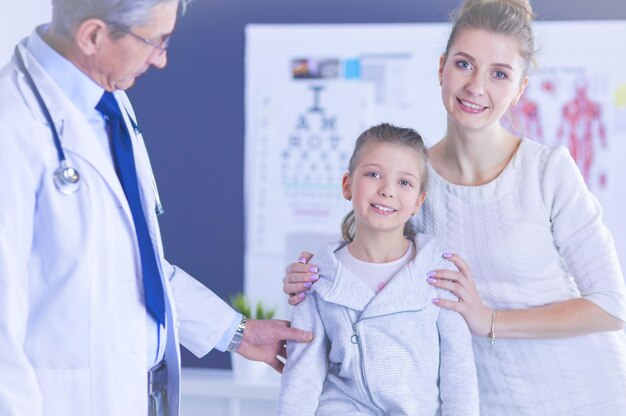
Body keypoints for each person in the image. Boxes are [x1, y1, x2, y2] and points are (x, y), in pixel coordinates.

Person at [283, 0, 626, 414]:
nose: (476, 86)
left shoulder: (548, 170)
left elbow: (611, 305)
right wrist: (316, 275)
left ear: (520, 89)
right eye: (464, 65)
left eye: (499, 74)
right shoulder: (412, 180)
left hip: (581, 393)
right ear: (442, 67)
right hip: (477, 400)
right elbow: (375, 254)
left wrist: (490, 321)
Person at [0, 0, 312, 415]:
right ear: (92, 36)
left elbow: (131, 264)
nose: (161, 60)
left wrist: (236, 332)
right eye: (154, 41)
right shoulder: (12, 126)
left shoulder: (110, 105)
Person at [277, 123, 478, 415]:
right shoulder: (317, 278)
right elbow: (302, 376)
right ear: (347, 185)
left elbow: (458, 374)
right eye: (373, 175)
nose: (387, 191)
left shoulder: (439, 273)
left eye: (405, 182)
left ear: (418, 201)